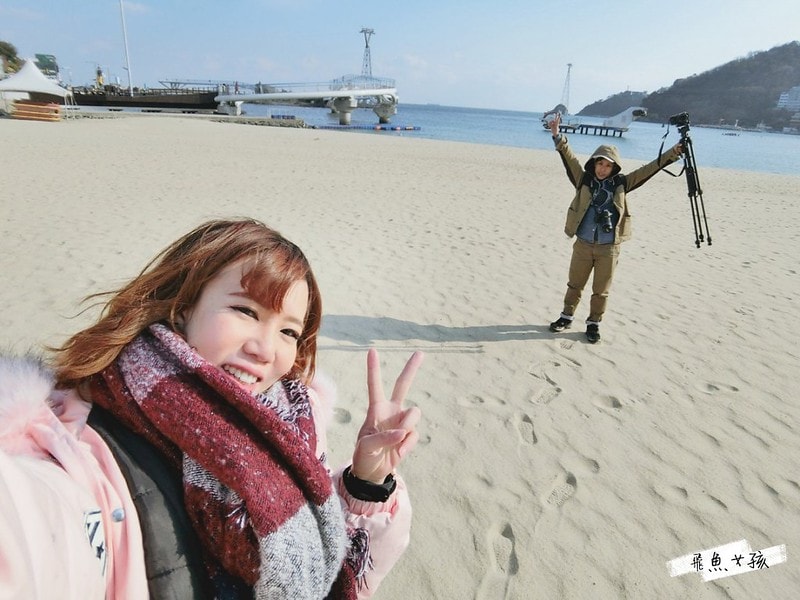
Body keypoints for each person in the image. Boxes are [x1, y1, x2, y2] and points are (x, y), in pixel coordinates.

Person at [0, 218, 424, 599]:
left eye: (288, 331)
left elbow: (337, 570)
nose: (265, 349)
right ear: (183, 307)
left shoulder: (288, 427)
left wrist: (367, 483)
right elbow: (33, 532)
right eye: (245, 310)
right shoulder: (76, 451)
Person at [546, 114, 684, 343]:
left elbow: (651, 168)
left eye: (608, 165)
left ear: (614, 167)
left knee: (601, 290)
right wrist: (557, 135)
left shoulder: (622, 183)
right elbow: (569, 158)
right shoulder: (583, 180)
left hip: (608, 248)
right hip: (583, 244)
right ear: (594, 164)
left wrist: (674, 152)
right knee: (575, 284)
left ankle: (593, 323)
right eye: (600, 164)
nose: (603, 169)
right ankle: (566, 317)